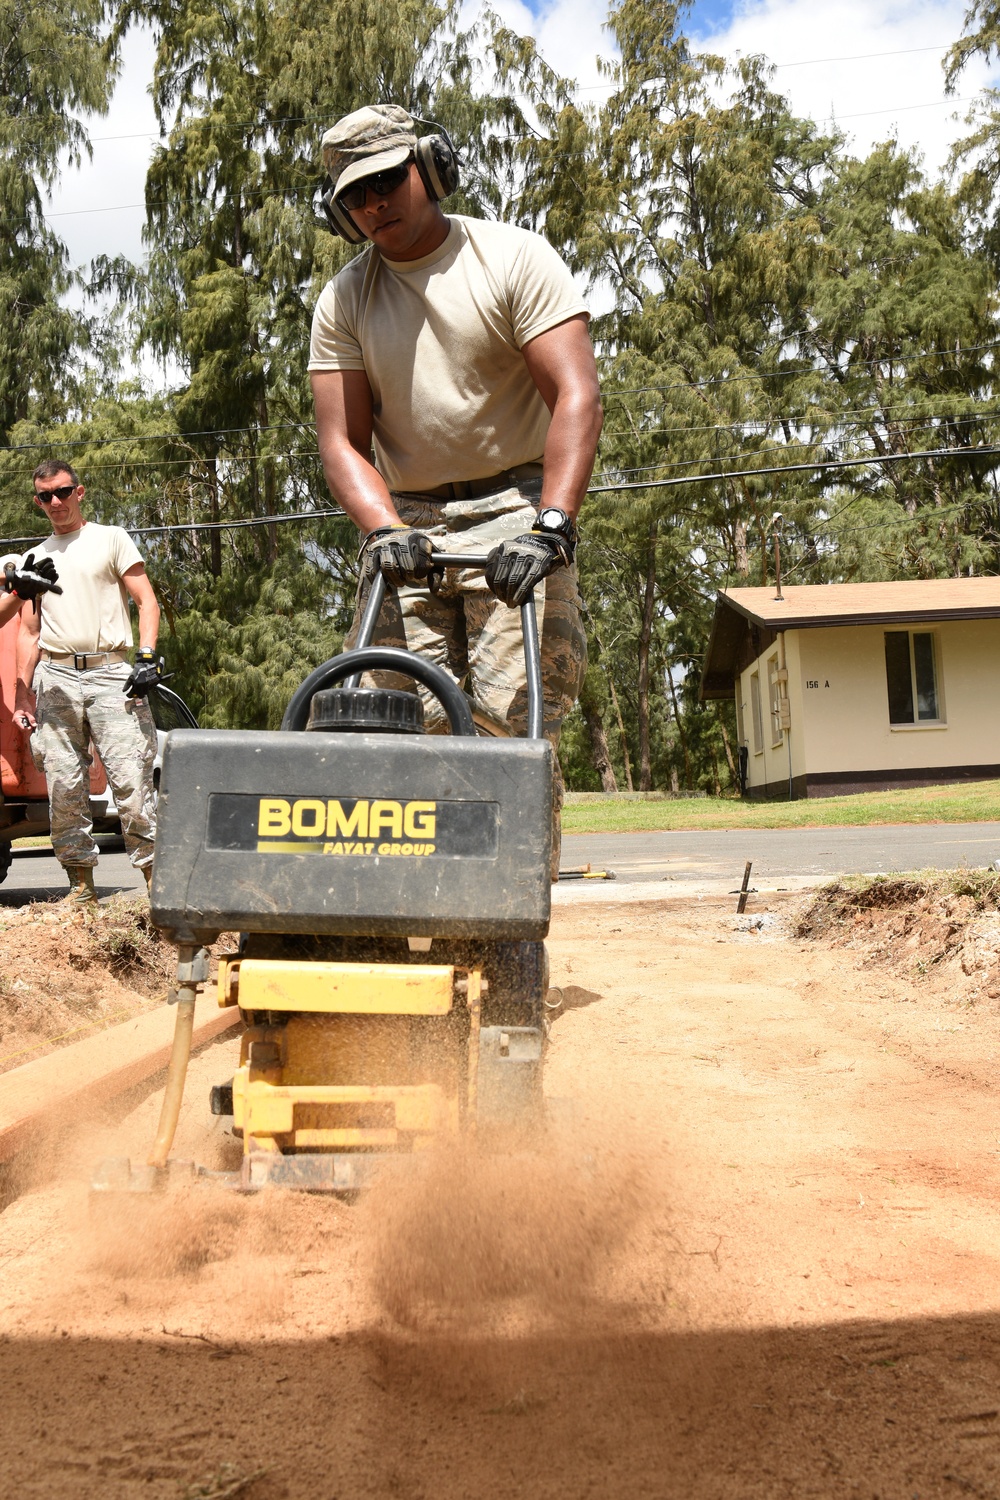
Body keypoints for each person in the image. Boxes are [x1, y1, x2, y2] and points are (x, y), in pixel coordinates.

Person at [309, 104, 603, 876]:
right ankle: (419, 892)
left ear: (431, 168)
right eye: (354, 195)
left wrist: (551, 525)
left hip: (514, 506)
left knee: (512, 716)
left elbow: (577, 395)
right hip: (407, 524)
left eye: (386, 180)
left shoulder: (510, 257)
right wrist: (380, 529)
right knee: (395, 714)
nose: (373, 203)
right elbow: (340, 440)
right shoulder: (344, 300)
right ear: (339, 212)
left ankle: (507, 904)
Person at [14, 460, 166, 905]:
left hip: (111, 673)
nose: (55, 502)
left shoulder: (110, 538)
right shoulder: (34, 558)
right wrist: (24, 691)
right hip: (56, 676)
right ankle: (81, 888)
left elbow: (147, 601)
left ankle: (158, 886)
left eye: (63, 492)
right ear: (37, 501)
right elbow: (27, 632)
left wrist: (147, 658)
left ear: (80, 492)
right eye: (45, 496)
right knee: (63, 787)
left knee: (133, 783)